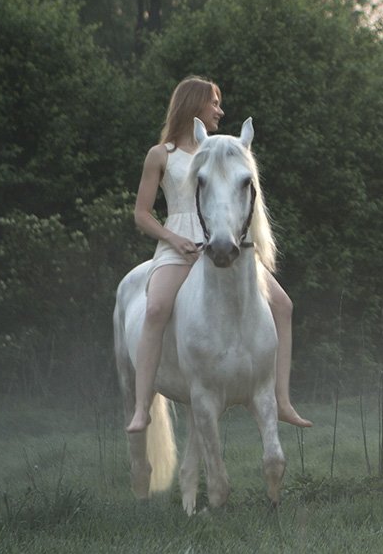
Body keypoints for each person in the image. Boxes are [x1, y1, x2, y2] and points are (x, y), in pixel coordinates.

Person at [125, 76, 312, 433]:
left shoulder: (220, 150)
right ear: (193, 105)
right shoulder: (161, 155)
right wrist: (172, 238)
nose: (220, 111)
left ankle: (282, 399)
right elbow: (142, 214)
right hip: (179, 247)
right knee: (156, 308)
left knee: (283, 305)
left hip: (224, 240)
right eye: (213, 103)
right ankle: (141, 406)